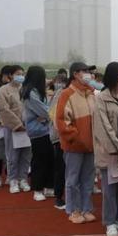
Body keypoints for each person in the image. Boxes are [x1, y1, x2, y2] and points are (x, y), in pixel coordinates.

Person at [92, 62, 118, 236]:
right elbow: (103, 127)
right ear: (115, 75)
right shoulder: (101, 98)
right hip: (110, 151)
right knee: (110, 188)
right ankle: (110, 222)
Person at [56, 62, 97, 224]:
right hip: (75, 146)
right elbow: (61, 121)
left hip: (91, 145)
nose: (88, 74)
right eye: (84, 71)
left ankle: (86, 208)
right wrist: (76, 137)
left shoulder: (91, 93)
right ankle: (74, 209)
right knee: (73, 179)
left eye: (89, 71)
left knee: (88, 179)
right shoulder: (67, 94)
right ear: (75, 74)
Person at [0, 65, 32, 194]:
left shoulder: (25, 89)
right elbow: (3, 109)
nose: (21, 76)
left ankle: (23, 179)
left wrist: (28, 124)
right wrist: (17, 124)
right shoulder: (3, 90)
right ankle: (13, 180)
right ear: (11, 75)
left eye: (22, 73)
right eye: (18, 73)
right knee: (13, 155)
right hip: (13, 128)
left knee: (26, 154)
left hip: (27, 128)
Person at [21, 66, 55, 201]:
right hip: (37, 132)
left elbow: (46, 112)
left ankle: (48, 186)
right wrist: (48, 115)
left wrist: (46, 116)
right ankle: (37, 188)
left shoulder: (39, 91)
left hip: (46, 130)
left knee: (49, 159)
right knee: (39, 161)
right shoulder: (30, 93)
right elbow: (46, 111)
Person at [48, 73, 68, 209]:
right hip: (61, 136)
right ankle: (59, 196)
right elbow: (53, 114)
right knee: (61, 167)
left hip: (75, 137)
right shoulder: (61, 93)